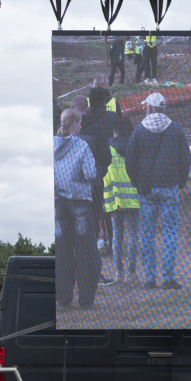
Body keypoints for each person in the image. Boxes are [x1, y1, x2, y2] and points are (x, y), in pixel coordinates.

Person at [125, 92, 191, 290]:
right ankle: (168, 277)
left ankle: (149, 277)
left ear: (150, 108)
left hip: (146, 189)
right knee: (170, 231)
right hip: (170, 186)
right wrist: (181, 181)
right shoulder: (176, 130)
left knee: (147, 232)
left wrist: (137, 183)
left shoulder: (138, 131)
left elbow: (130, 160)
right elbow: (186, 158)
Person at [54, 108, 100, 308]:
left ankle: (63, 297)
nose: (81, 127)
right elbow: (90, 173)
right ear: (74, 125)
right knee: (86, 252)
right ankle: (86, 298)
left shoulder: (51, 144)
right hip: (80, 202)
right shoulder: (82, 146)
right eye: (79, 123)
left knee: (62, 252)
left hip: (58, 201)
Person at [81, 76, 115, 264]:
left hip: (91, 170)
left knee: (93, 210)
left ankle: (93, 244)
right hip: (107, 167)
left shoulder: (87, 119)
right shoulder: (110, 115)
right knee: (108, 208)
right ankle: (110, 240)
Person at [102, 118, 140, 283]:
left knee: (117, 235)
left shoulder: (107, 148)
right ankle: (131, 273)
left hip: (115, 198)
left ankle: (118, 272)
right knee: (133, 235)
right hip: (133, 198)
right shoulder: (134, 147)